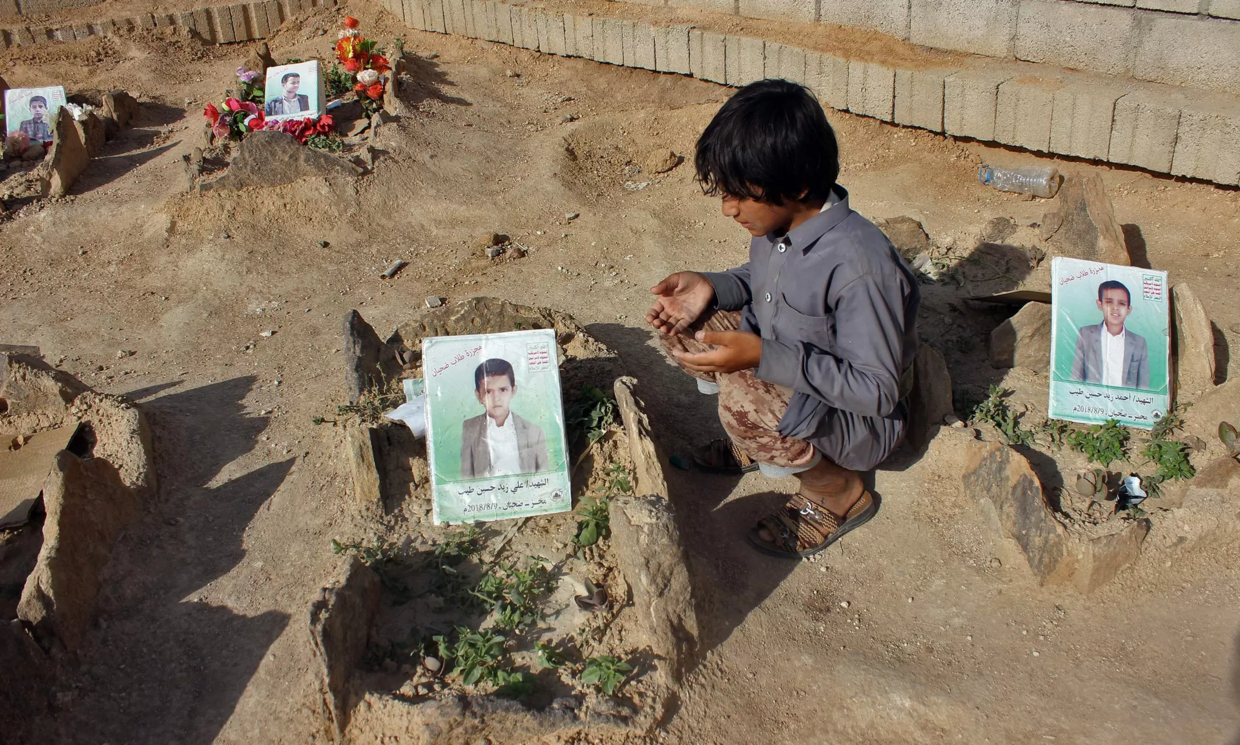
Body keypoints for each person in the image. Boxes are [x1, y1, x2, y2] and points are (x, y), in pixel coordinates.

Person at [647, 79, 920, 559]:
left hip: (857, 418)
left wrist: (761, 357)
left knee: (745, 398)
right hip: (796, 373)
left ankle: (837, 492)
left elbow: (877, 392)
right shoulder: (782, 223)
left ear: (795, 186)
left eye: (740, 194)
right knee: (685, 323)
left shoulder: (860, 268)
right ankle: (758, 440)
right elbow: (764, 277)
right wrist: (710, 285)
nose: (728, 209)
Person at [460, 358, 549, 478]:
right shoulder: (470, 429)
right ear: (478, 395)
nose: (496, 398)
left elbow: (545, 475)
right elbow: (466, 477)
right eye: (488, 392)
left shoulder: (534, 432)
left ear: (513, 391)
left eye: (503, 390)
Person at [1070, 280, 1149, 389]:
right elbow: (1076, 376)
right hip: (1091, 401)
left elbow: (1143, 385)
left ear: (1128, 309)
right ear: (1100, 304)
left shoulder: (1139, 342)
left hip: (1126, 402)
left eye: (1122, 303)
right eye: (1109, 302)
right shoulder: (1086, 334)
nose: (1115, 308)